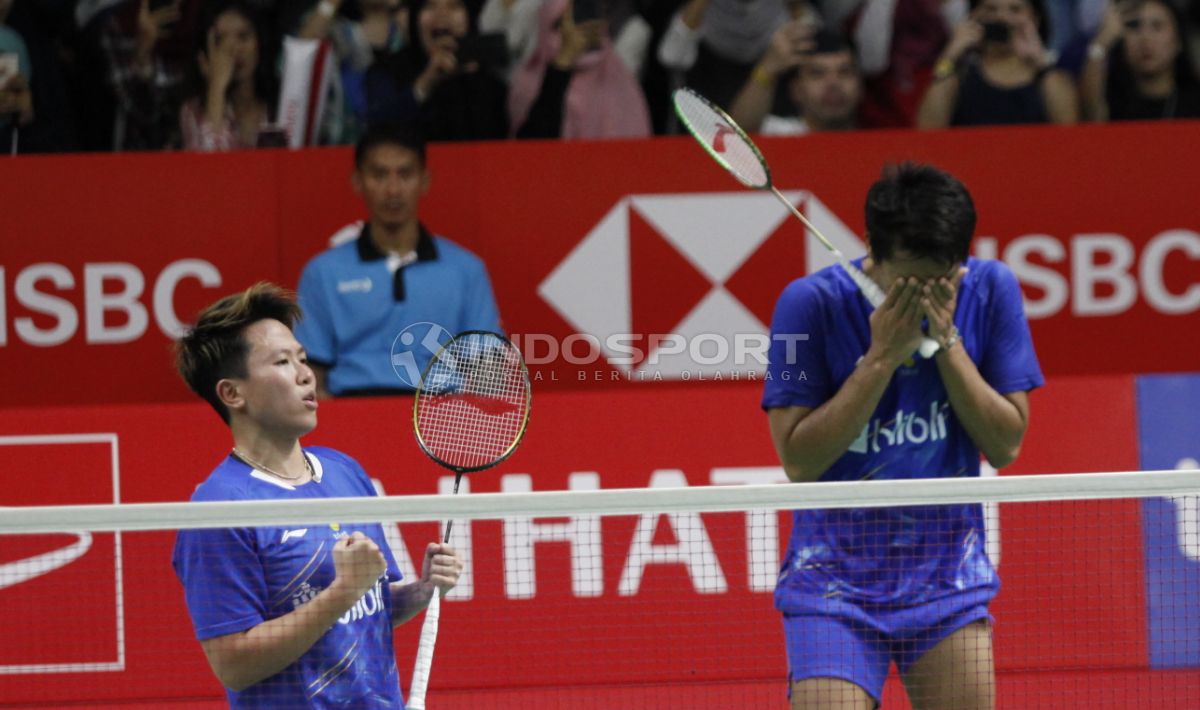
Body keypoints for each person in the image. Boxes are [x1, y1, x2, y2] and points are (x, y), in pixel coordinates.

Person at [762, 163, 1043, 709]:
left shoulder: (992, 290)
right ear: (871, 247)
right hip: (832, 580)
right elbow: (798, 459)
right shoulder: (805, 306)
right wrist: (881, 359)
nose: (922, 295)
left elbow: (1007, 446)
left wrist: (950, 343)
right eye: (907, 281)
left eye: (938, 281)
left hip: (947, 578)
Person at [172, 282, 463, 707]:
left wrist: (421, 591)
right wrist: (343, 591)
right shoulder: (222, 508)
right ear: (233, 393)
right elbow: (234, 664)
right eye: (282, 362)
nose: (306, 375)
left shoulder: (345, 472)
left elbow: (369, 610)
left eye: (303, 358)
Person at [295, 124, 502, 398]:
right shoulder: (322, 273)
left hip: (440, 416)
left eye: (405, 174)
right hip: (350, 413)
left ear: (425, 180)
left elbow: (486, 371)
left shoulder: (466, 270)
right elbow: (310, 379)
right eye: (379, 175)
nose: (393, 189)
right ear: (358, 181)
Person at [916, 0, 1078, 128]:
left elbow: (1068, 129)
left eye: (1015, 9)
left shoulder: (1048, 74)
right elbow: (927, 128)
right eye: (990, 9)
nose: (1001, 17)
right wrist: (950, 55)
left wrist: (1040, 61)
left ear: (1035, 18)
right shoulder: (959, 75)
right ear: (974, 15)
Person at [509, 0, 652, 139]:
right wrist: (561, 64)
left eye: (583, 18)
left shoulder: (620, 83)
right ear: (545, 26)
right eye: (559, 25)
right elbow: (532, 149)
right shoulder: (529, 83)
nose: (573, 33)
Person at [180, 0, 280, 151]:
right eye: (220, 40)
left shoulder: (280, 106)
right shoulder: (194, 111)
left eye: (243, 36)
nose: (234, 49)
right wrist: (216, 88)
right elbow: (208, 168)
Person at [1079, 0, 1200, 121]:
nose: (1145, 38)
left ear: (1178, 41)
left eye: (1157, 26)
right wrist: (1102, 42)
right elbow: (1092, 116)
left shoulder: (1195, 100)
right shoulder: (1112, 101)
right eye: (1134, 26)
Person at [729, 29, 862, 135]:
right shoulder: (776, 134)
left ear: (861, 86)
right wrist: (767, 69)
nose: (833, 83)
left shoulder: (881, 139)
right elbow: (737, 136)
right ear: (796, 90)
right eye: (817, 73)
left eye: (845, 72)